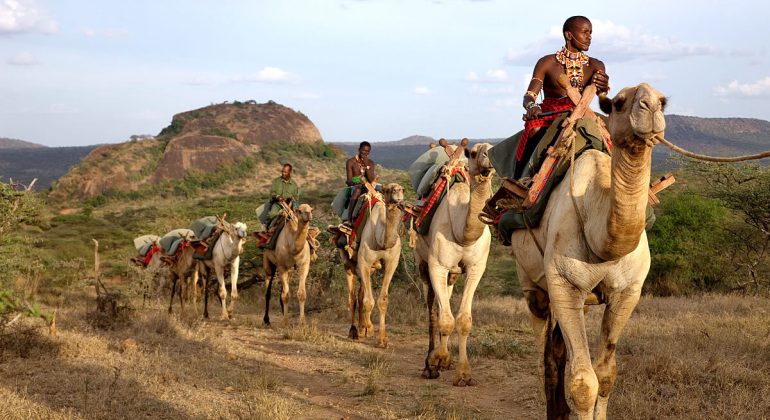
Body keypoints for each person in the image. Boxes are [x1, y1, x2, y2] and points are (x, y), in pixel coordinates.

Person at [515, 15, 610, 179]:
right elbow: (529, 96)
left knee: (613, 132)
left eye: (591, 33)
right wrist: (532, 106)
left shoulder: (597, 65)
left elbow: (605, 106)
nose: (590, 37)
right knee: (534, 129)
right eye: (585, 32)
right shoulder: (547, 63)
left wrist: (603, 91)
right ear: (569, 35)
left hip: (584, 115)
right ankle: (524, 178)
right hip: (550, 115)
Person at [344, 141, 377, 225]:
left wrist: (366, 166)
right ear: (359, 150)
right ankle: (349, 219)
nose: (365, 153)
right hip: (355, 186)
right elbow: (349, 180)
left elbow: (371, 179)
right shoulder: (351, 162)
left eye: (367, 151)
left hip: (369, 186)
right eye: (363, 151)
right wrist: (357, 182)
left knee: (384, 192)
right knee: (357, 190)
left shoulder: (370, 163)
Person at [259, 163, 299, 229]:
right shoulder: (276, 181)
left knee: (297, 219)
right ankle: (266, 228)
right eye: (282, 171)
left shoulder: (294, 185)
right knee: (272, 214)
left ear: (290, 172)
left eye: (285, 172)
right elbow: (272, 193)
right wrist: (277, 196)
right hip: (277, 204)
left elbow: (296, 198)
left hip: (289, 207)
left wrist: (293, 200)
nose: (283, 173)